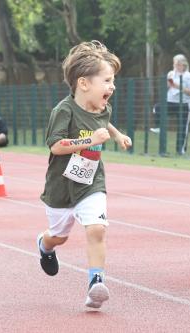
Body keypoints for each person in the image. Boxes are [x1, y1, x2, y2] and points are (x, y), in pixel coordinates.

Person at [37, 40, 131, 309]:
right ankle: (44, 245)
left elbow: (104, 121)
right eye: (107, 80)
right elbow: (56, 145)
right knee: (59, 236)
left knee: (97, 229)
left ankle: (95, 285)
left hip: (91, 182)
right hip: (61, 187)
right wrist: (90, 140)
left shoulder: (103, 108)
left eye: (113, 81)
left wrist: (117, 134)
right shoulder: (63, 111)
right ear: (84, 83)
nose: (112, 87)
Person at [166, 54, 190, 155]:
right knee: (157, 109)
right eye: (175, 64)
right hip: (170, 101)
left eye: (178, 64)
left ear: (184, 65)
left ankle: (180, 150)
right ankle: (158, 128)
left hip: (184, 104)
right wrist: (169, 85)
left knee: (182, 127)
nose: (176, 66)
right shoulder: (170, 73)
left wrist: (178, 86)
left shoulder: (189, 76)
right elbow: (167, 87)